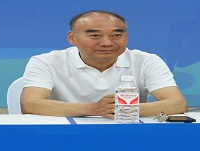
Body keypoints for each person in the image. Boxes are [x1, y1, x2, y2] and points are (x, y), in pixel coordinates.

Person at [18, 11, 186, 118]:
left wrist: (123, 109)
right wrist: (93, 109)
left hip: (128, 134)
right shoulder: (46, 62)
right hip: (66, 134)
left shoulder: (146, 61)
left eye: (116, 35)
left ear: (126, 38)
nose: (107, 43)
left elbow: (177, 104)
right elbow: (30, 104)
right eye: (95, 36)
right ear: (72, 38)